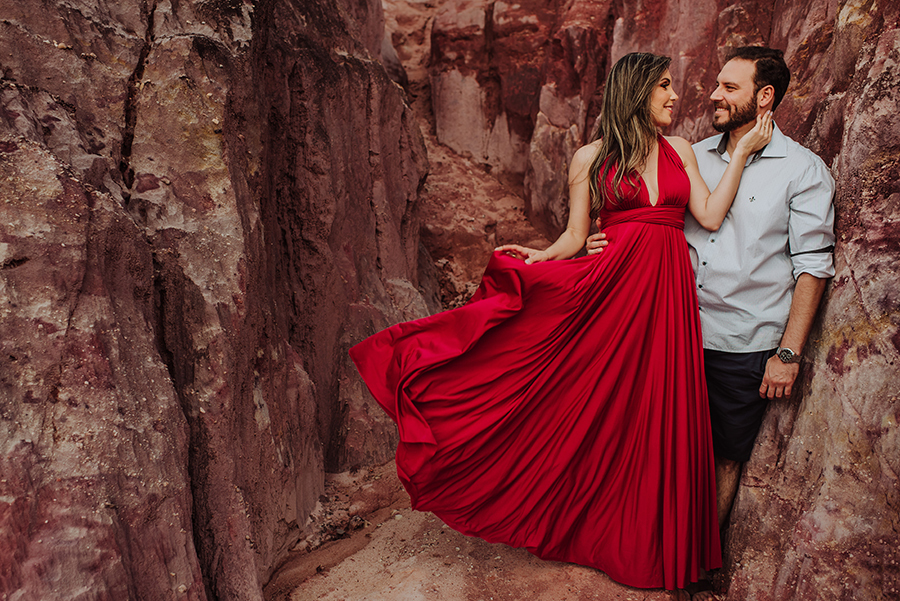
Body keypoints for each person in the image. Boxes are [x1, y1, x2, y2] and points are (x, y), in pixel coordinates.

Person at [350, 52, 771, 598]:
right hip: (612, 292)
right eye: (664, 86)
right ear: (637, 91)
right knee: (587, 401)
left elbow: (709, 214)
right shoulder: (591, 158)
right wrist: (540, 256)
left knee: (655, 411)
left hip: (666, 299)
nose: (674, 97)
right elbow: (575, 236)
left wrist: (740, 152)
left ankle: (651, 543)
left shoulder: (681, 151)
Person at [588, 47, 835, 542]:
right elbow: (645, 217)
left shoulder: (804, 171)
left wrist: (788, 352)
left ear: (764, 98)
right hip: (667, 328)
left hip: (742, 341)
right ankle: (640, 540)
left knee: (724, 454)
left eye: (728, 87)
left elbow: (812, 268)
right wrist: (605, 236)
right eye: (716, 84)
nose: (712, 95)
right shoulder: (686, 153)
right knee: (650, 440)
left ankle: (694, 561)